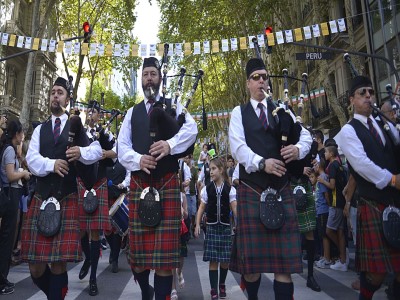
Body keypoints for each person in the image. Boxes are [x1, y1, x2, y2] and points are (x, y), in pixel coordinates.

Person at [228, 58, 312, 300]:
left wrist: (297, 150)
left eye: (265, 76)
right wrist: (262, 163)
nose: (262, 81)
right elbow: (237, 147)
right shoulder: (238, 113)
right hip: (252, 190)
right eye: (256, 77)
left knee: (284, 267)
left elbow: (305, 136)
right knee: (252, 269)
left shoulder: (282, 111)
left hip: (282, 189)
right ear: (247, 84)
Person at [117, 57, 197, 300]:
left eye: (153, 74)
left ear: (160, 78)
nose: (149, 78)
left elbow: (191, 130)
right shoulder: (132, 113)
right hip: (140, 184)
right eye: (145, 74)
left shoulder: (175, 106)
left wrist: (169, 145)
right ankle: (145, 291)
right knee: (137, 259)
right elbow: (122, 148)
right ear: (141, 80)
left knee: (163, 261)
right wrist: (139, 159)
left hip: (167, 185)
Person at [20, 77, 102, 300]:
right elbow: (32, 159)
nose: (55, 95)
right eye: (53, 92)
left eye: (60, 93)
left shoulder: (76, 126)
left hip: (66, 197)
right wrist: (52, 164)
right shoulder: (40, 129)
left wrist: (80, 153)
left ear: (67, 99)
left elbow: (96, 150)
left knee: (58, 264)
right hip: (42, 197)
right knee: (35, 268)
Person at [336, 75, 400, 300]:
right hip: (374, 203)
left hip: (396, 201)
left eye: (370, 92)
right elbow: (362, 164)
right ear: (352, 99)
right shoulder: (348, 131)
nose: (368, 96)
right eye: (362, 93)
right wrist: (392, 179)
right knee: (376, 274)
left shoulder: (385, 124)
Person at [77, 100, 114, 296]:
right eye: (89, 111)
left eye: (94, 112)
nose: (91, 114)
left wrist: (104, 153)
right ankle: (88, 258)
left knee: (93, 233)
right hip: (82, 184)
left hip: (98, 183)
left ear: (100, 115)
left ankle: (92, 279)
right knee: (80, 230)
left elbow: (117, 153)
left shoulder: (105, 133)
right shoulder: (80, 132)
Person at [194, 157, 237, 300]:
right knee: (213, 260)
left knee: (224, 260)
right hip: (211, 227)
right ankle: (213, 289)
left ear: (221, 170)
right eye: (210, 169)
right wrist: (197, 225)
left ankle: (222, 284)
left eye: (213, 169)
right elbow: (201, 208)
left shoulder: (230, 189)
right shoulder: (207, 188)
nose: (211, 172)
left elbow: (234, 207)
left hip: (225, 227)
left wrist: (239, 224)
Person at [0, 120, 31, 295]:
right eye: (21, 133)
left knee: (7, 237)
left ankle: (3, 277)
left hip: (11, 194)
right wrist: (24, 173)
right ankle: (1, 280)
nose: (22, 136)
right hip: (10, 194)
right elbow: (11, 175)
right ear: (16, 134)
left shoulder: (10, 150)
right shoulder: (10, 150)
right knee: (7, 238)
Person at [319, 145, 348, 272]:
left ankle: (343, 253)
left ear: (331, 153)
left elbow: (331, 185)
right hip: (341, 203)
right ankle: (342, 260)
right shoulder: (340, 165)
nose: (324, 154)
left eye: (326, 152)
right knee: (340, 232)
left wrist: (321, 180)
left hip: (335, 203)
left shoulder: (332, 166)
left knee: (329, 231)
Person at [313, 160, 333, 269]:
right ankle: (324, 256)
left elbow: (326, 194)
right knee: (322, 235)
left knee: (325, 235)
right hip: (320, 210)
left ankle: (327, 259)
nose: (314, 166)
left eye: (316, 164)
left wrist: (329, 205)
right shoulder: (320, 177)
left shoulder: (323, 177)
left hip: (323, 210)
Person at [183, 154, 198, 238]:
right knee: (187, 212)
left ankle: (192, 226)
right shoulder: (182, 166)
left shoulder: (193, 170)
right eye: (184, 158)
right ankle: (187, 230)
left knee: (193, 212)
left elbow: (195, 182)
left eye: (187, 158)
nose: (185, 159)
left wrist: (198, 193)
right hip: (186, 194)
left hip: (192, 193)